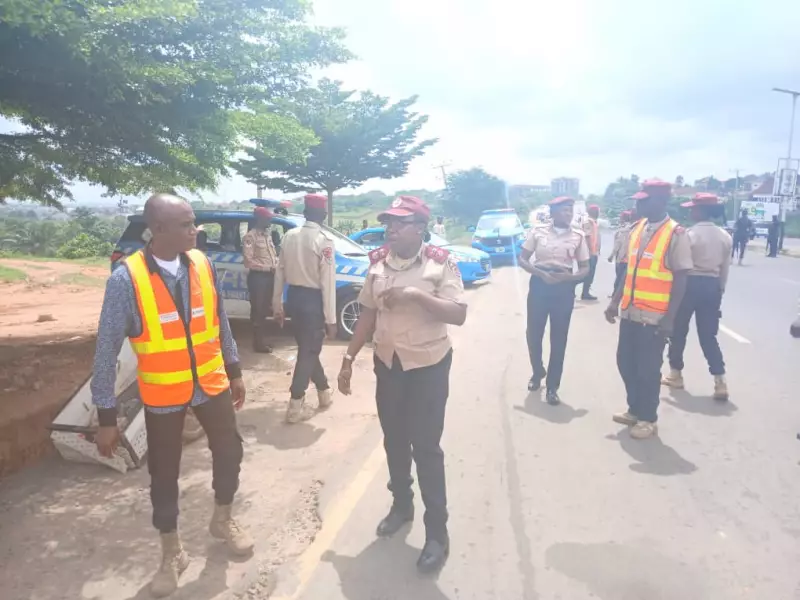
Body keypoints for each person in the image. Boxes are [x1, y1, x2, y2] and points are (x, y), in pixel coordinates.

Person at [91, 193, 252, 598]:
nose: (194, 230)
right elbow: (106, 350)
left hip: (211, 381)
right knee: (164, 473)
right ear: (158, 229)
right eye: (185, 224)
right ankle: (171, 551)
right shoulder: (126, 279)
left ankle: (223, 517)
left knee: (230, 449)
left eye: (193, 222)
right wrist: (107, 418)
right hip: (164, 392)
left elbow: (218, 322)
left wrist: (233, 370)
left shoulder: (202, 263)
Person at [337, 195, 466, 574]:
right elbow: (368, 312)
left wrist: (414, 294)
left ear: (420, 228)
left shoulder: (440, 264)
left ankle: (438, 533)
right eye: (388, 222)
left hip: (427, 366)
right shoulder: (377, 262)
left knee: (426, 447)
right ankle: (401, 505)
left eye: (399, 222)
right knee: (394, 439)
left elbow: (458, 314)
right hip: (388, 365)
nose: (391, 228)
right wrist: (348, 357)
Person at [605, 180, 693, 439]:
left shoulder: (676, 234)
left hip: (654, 317)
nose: (638, 204)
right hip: (630, 311)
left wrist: (670, 319)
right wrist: (614, 301)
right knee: (625, 362)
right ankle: (634, 409)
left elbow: (681, 279)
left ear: (661, 202)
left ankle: (648, 418)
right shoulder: (638, 228)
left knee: (648, 369)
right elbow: (629, 269)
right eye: (637, 199)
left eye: (644, 200)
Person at [272, 193, 337, 423]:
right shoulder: (324, 240)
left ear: (306, 212)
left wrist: (277, 304)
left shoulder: (289, 236)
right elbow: (328, 283)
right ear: (324, 215)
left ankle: (324, 392)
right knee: (308, 351)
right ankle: (295, 404)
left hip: (294, 299)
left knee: (308, 349)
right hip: (312, 302)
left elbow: (279, 271)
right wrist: (331, 319)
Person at [519, 196, 590, 405]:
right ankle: (537, 371)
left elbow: (585, 268)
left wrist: (569, 278)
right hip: (540, 284)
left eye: (570, 210)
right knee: (533, 333)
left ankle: (552, 386)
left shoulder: (578, 235)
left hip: (563, 287)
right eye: (564, 210)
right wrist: (540, 274)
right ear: (553, 213)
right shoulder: (537, 232)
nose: (569, 214)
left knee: (559, 338)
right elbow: (523, 259)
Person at [662, 193, 732, 400]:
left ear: (701, 211)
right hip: (712, 286)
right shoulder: (725, 236)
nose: (690, 211)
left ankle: (676, 374)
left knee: (678, 331)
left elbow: (679, 266)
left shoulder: (688, 235)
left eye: (693, 208)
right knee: (709, 336)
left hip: (689, 285)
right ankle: (720, 381)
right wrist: (719, 291)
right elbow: (724, 271)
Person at [242, 207, 279, 353]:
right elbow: (248, 262)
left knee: (264, 310)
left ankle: (262, 341)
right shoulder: (250, 237)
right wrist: (267, 268)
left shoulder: (267, 236)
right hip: (258, 278)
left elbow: (272, 256)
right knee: (257, 311)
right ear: (260, 219)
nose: (270, 220)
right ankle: (258, 343)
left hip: (269, 277)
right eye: (267, 218)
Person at [607, 208, 636, 297]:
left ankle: (616, 295)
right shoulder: (634, 228)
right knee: (625, 278)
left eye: (621, 217)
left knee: (619, 277)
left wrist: (611, 255)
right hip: (630, 258)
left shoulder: (623, 229)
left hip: (622, 258)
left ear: (623, 218)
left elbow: (618, 244)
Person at [581, 204, 601, 300]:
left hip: (593, 252)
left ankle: (585, 292)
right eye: (596, 211)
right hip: (589, 253)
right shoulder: (588, 222)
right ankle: (570, 286)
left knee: (589, 274)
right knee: (586, 274)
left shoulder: (594, 222)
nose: (598, 213)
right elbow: (587, 236)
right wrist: (590, 251)